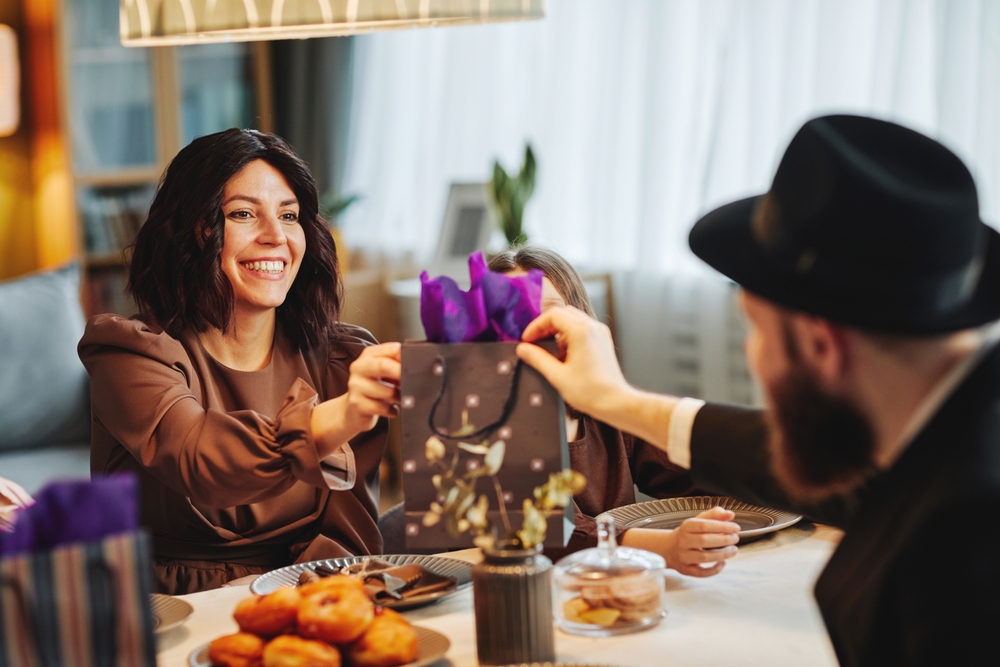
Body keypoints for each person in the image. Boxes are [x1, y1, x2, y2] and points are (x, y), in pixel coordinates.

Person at [514, 115, 1000, 666]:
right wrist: (619, 402)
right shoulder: (948, 430)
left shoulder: (969, 533)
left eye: (755, 329)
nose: (753, 354)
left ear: (822, 345)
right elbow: (772, 455)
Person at [79, 129, 401, 595]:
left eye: (289, 216)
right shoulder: (128, 354)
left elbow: (347, 539)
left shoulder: (342, 359)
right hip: (165, 612)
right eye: (244, 214)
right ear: (192, 229)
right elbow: (198, 458)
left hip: (303, 598)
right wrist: (343, 414)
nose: (276, 236)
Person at [488, 246, 740, 575]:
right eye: (512, 316)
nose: (532, 331)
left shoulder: (602, 412)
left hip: (606, 585)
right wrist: (667, 548)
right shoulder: (481, 429)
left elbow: (687, 473)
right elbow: (551, 534)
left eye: (549, 314)